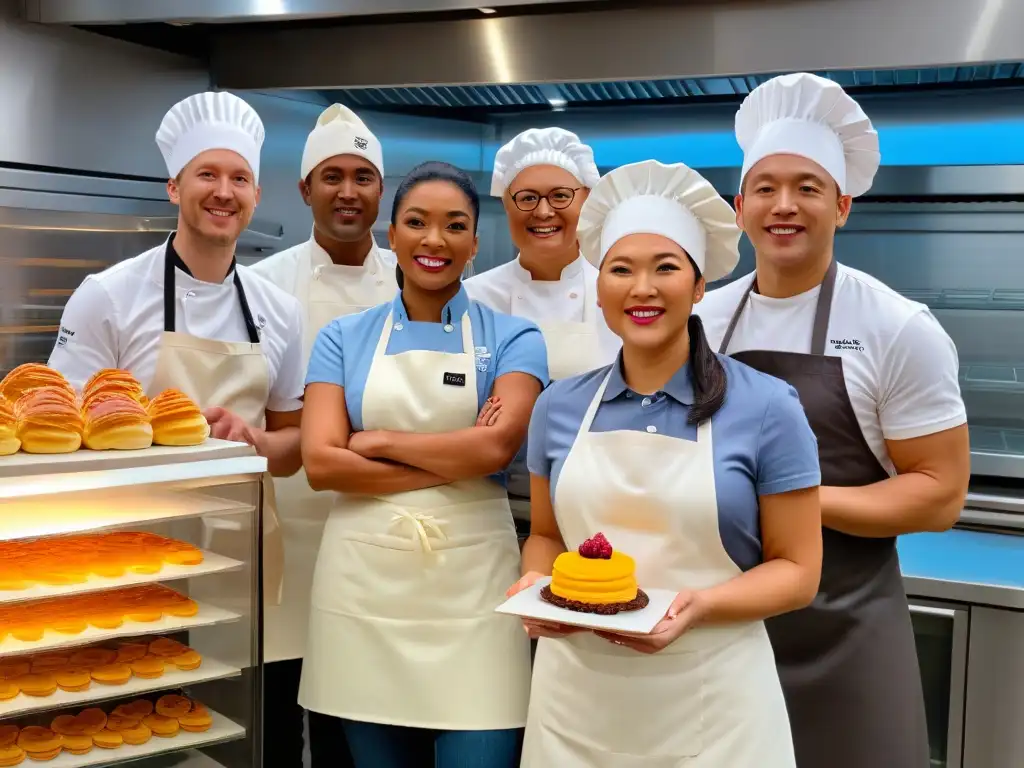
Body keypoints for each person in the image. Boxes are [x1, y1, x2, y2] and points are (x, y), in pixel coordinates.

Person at [695, 72, 971, 768]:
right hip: (718, 627)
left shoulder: (895, 326)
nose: (784, 205)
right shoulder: (700, 322)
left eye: (808, 188)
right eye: (766, 187)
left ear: (842, 205)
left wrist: (794, 503)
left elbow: (939, 492)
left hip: (845, 631)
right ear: (740, 206)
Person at [512, 158, 823, 767]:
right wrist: (537, 586)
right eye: (620, 270)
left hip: (714, 701)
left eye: (666, 268)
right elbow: (546, 535)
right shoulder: (559, 406)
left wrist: (697, 605)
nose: (642, 289)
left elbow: (798, 570)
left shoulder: (766, 407)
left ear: (699, 285)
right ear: (598, 287)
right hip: (575, 700)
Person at [298, 160, 549, 768]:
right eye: (417, 222)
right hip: (364, 588)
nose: (434, 241)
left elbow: (495, 449)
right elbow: (322, 464)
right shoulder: (342, 337)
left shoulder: (516, 337)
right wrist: (455, 457)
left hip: (474, 593)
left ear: (473, 242)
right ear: (392, 233)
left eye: (454, 226)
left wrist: (377, 439)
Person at [48, 91, 305, 615]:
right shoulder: (108, 296)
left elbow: (295, 447)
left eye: (239, 179)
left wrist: (250, 438)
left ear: (257, 193)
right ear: (173, 187)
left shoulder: (281, 310)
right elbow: (59, 442)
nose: (224, 192)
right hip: (129, 547)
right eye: (207, 174)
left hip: (242, 550)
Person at [250, 103, 397, 768]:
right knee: (276, 714)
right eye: (331, 176)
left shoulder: (413, 280)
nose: (347, 191)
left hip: (383, 531)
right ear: (305, 189)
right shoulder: (260, 286)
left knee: (356, 717)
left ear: (380, 191)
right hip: (285, 535)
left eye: (363, 176)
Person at [466, 127, 619, 521]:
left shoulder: (620, 294)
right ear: (507, 205)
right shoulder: (472, 297)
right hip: (486, 509)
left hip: (599, 508)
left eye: (561, 196)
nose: (544, 211)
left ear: (587, 201)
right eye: (527, 198)